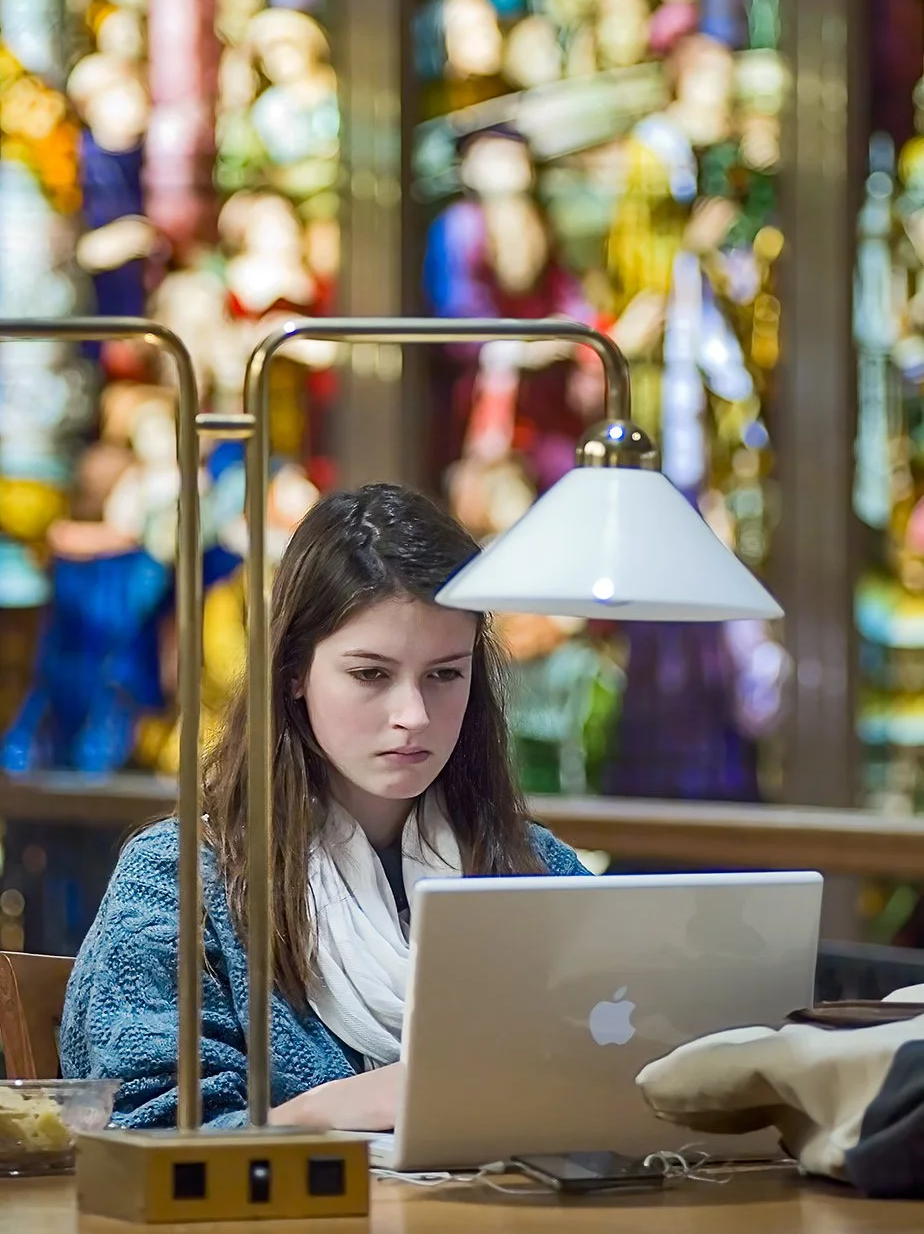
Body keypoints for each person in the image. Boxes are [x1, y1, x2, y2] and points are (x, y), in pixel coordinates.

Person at [60, 483, 589, 1130]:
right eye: (370, 674)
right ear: (293, 673)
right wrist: (327, 1113)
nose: (414, 716)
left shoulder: (535, 870)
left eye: (445, 674)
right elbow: (145, 1136)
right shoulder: (182, 882)